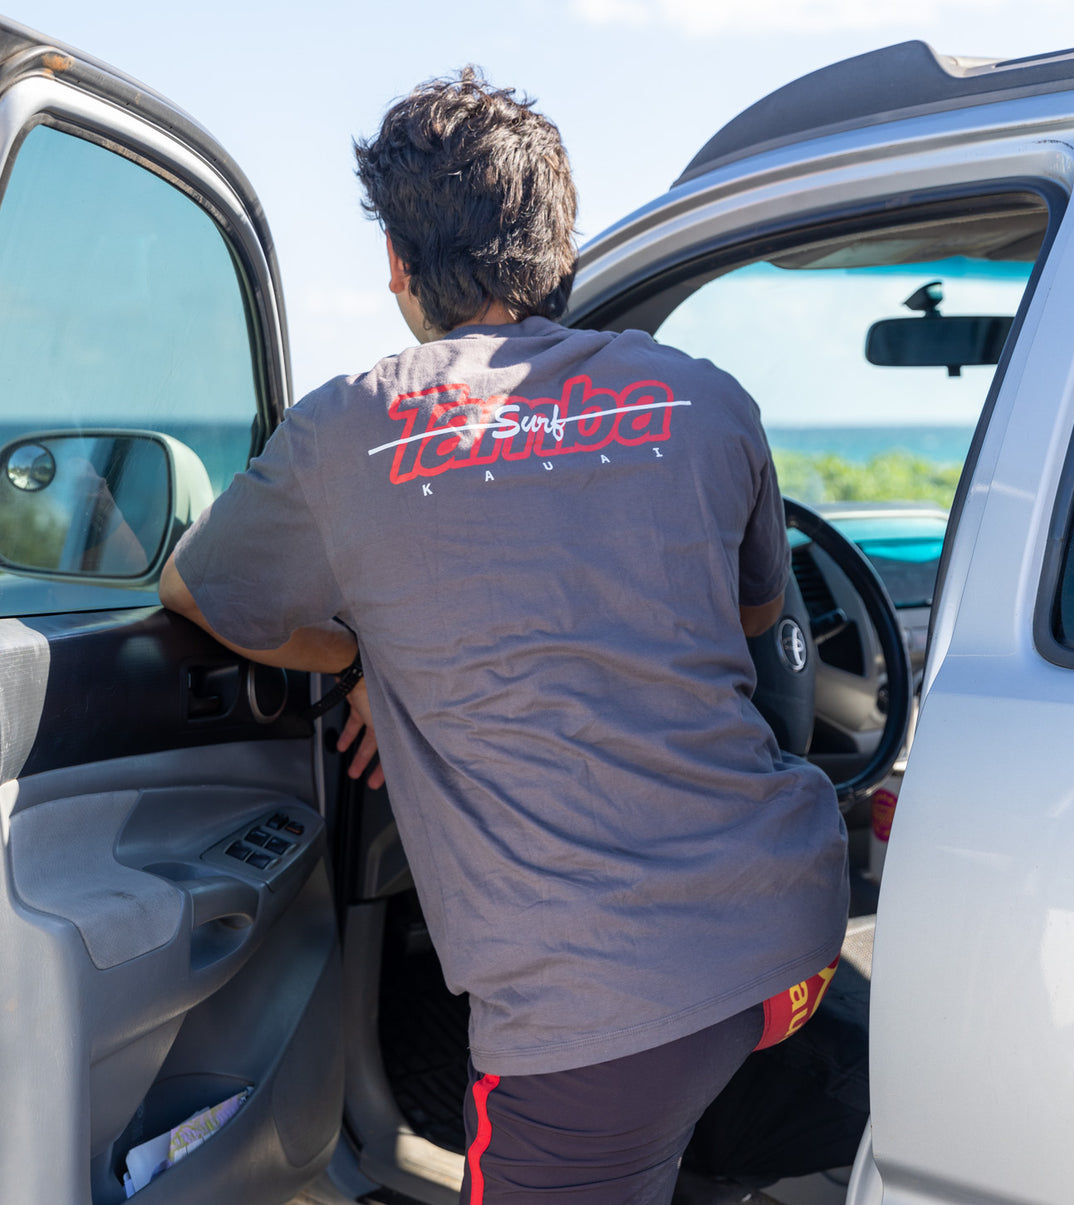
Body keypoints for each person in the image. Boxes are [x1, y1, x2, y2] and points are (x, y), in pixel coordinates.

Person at [159, 68, 850, 1204]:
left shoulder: (350, 429)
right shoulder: (709, 401)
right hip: (792, 943)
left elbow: (201, 590)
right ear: (560, 249)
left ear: (396, 264)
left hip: (596, 1023)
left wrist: (376, 649)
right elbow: (751, 620)